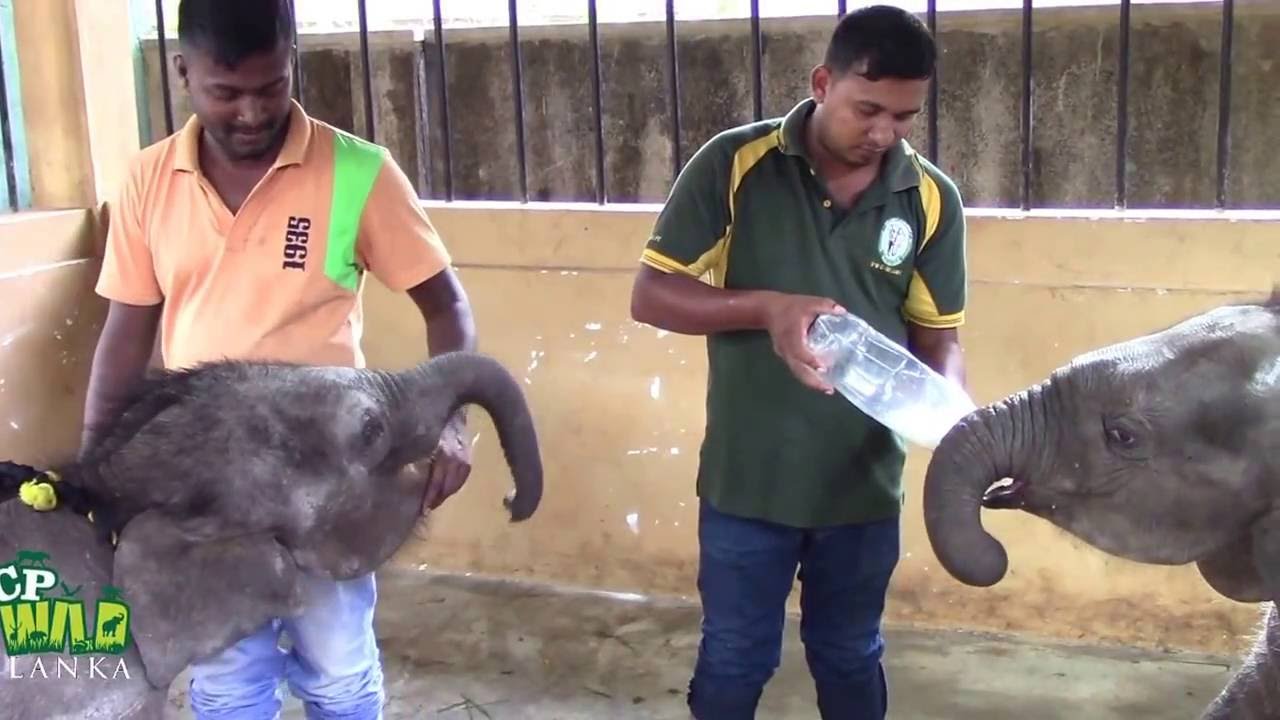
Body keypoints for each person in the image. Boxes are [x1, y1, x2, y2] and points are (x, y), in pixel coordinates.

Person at [80, 0, 475, 717]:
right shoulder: (146, 181)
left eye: (272, 85)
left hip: (330, 480)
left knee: (337, 665)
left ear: (294, 58)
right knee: (227, 676)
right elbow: (126, 334)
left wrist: (449, 421)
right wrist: (93, 476)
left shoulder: (358, 172)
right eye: (224, 92)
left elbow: (446, 305)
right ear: (182, 73)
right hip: (202, 483)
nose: (252, 112)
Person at [629, 6, 968, 719]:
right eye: (866, 109)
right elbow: (652, 294)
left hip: (863, 487)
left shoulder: (930, 198)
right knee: (734, 655)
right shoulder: (736, 163)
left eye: (904, 118)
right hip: (748, 482)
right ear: (822, 82)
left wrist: (955, 423)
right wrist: (768, 309)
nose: (883, 134)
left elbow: (938, 338)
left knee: (850, 655)